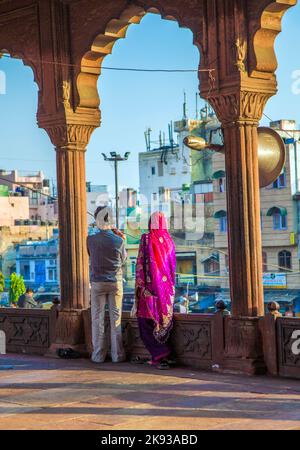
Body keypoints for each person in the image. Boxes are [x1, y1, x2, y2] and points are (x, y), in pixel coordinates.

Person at [132, 211, 176, 370]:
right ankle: (165, 356)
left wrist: (141, 286)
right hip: (166, 291)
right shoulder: (170, 241)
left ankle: (160, 355)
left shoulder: (147, 239)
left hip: (149, 289)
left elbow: (140, 263)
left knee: (145, 323)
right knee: (163, 321)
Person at [87, 206, 127, 364]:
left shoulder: (90, 239)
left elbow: (91, 256)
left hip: (97, 282)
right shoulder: (119, 240)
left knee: (97, 319)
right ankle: (117, 356)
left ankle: (98, 355)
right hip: (115, 282)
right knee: (115, 319)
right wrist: (121, 237)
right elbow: (122, 260)